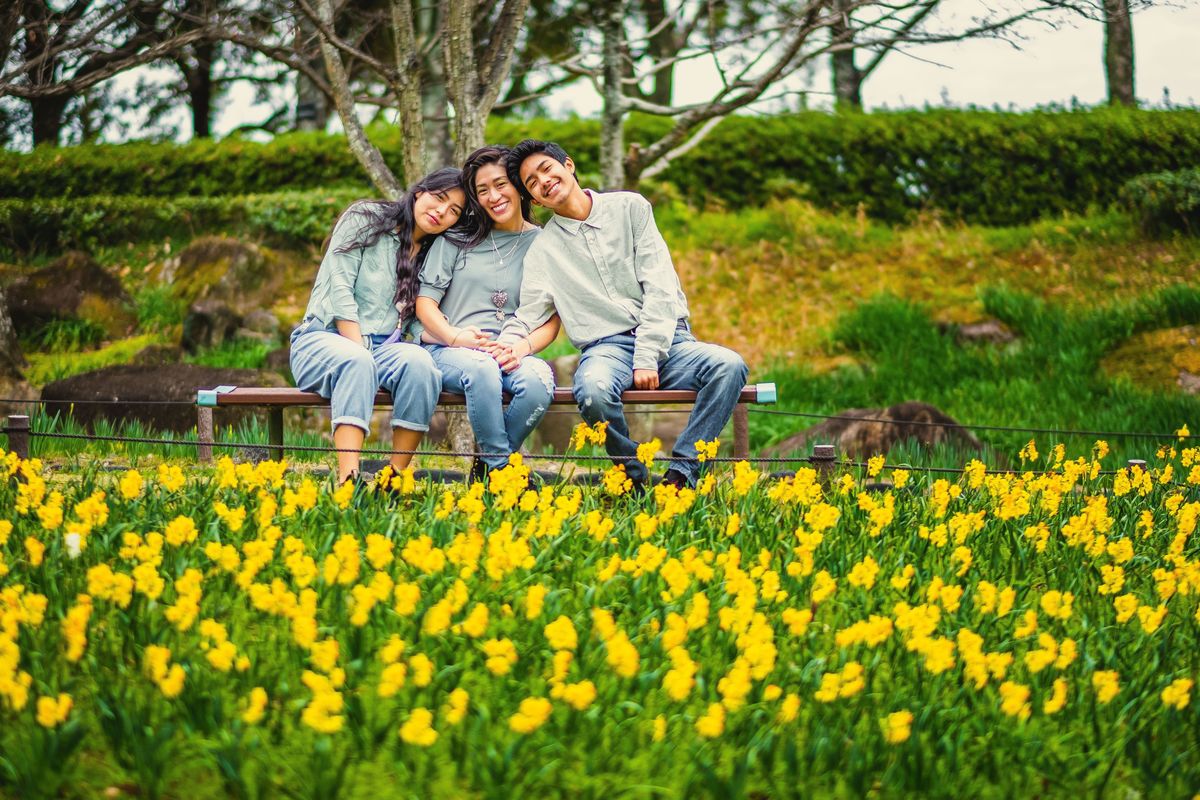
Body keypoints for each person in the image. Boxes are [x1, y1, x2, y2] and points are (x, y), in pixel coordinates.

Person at [494, 140, 749, 490]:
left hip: (670, 341)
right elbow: (530, 313)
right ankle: (632, 478)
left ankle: (682, 475)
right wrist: (506, 346)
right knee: (592, 391)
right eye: (532, 183)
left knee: (728, 365)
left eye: (546, 170)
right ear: (535, 200)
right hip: (606, 349)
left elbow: (660, 287)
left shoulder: (631, 207)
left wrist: (647, 355)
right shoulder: (543, 248)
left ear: (567, 165)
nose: (543, 181)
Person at [289, 168, 466, 486]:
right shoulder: (365, 217)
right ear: (419, 191)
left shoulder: (431, 254)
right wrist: (359, 349)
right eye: (440, 198)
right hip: (323, 340)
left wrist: (456, 338)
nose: (442, 212)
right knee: (355, 360)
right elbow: (339, 289)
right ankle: (349, 480)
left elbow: (413, 326)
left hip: (382, 350)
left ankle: (394, 479)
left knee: (421, 363)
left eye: (454, 211)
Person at [415, 146, 558, 481]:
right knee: (481, 369)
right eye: (482, 191)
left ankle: (486, 468)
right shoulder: (455, 238)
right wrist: (455, 337)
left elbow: (551, 321)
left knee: (539, 382)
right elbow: (425, 303)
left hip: (510, 351)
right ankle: (502, 473)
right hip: (451, 349)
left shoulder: (544, 243)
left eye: (500, 184)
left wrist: (520, 349)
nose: (493, 196)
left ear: (518, 186)